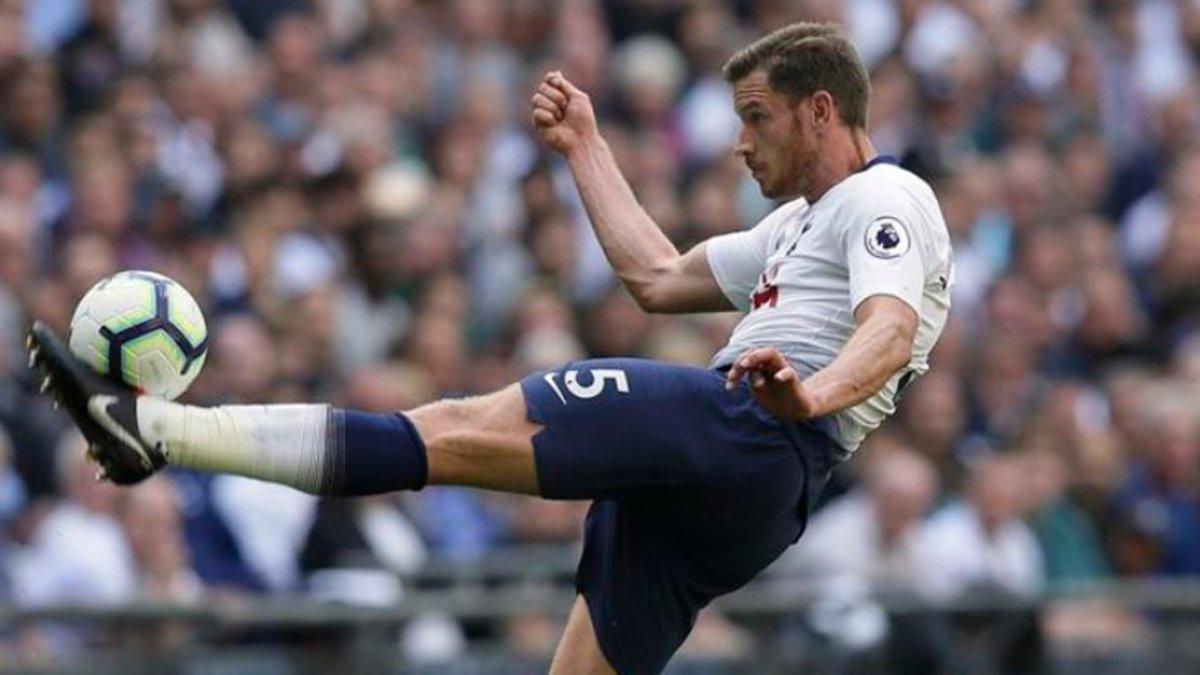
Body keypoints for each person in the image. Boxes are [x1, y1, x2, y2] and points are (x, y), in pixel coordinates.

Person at [27, 22, 952, 675]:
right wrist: (586, 148)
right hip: (752, 488)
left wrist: (810, 393)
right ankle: (157, 434)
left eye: (757, 117)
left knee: (451, 428)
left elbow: (889, 328)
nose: (739, 143)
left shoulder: (885, 200)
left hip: (748, 431)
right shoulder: (801, 223)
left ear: (821, 110)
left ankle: (159, 434)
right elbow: (659, 278)